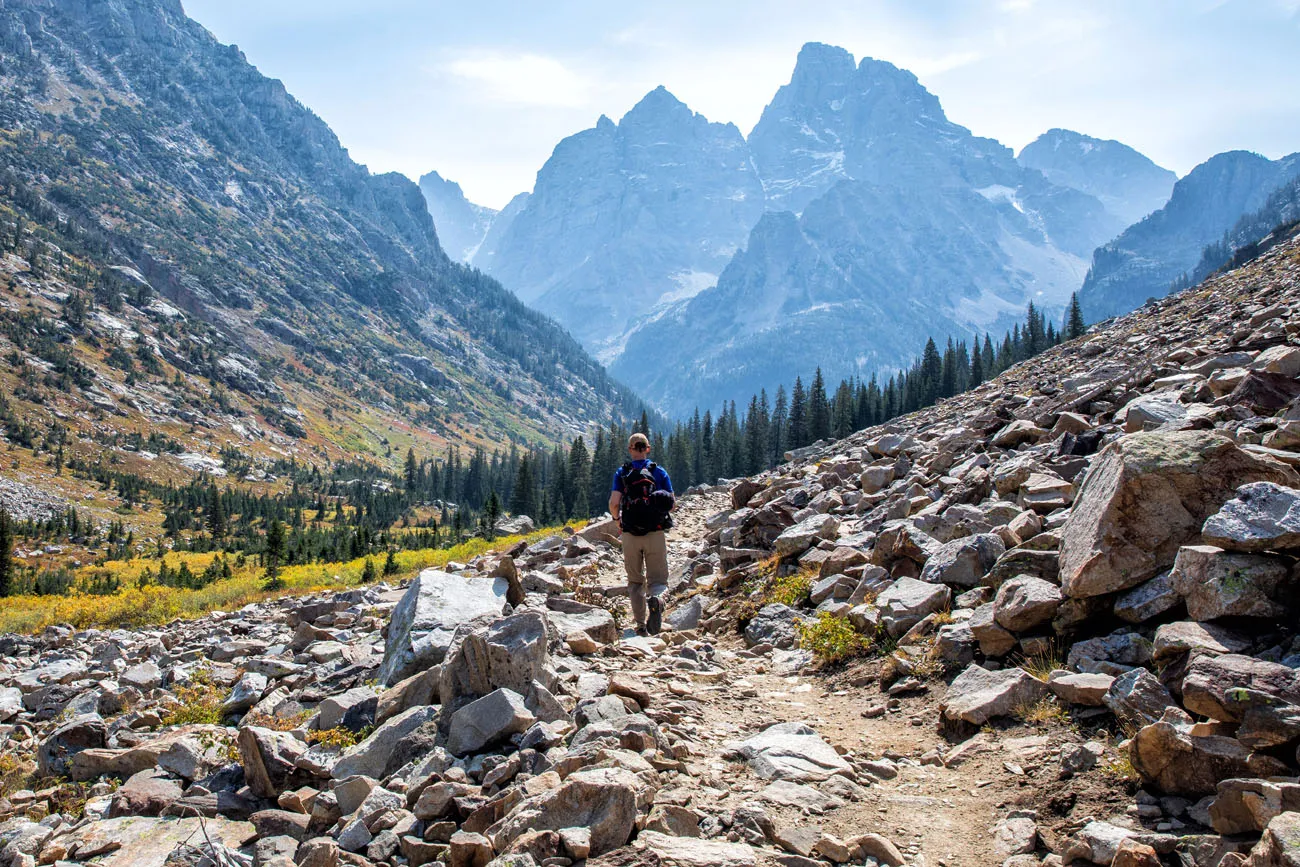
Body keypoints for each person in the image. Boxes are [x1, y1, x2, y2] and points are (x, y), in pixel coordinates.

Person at [608, 432, 675, 636]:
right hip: (655, 532)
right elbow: (671, 504)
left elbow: (614, 503)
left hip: (629, 533)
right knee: (658, 580)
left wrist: (617, 520)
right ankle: (657, 599)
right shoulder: (659, 472)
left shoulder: (623, 473)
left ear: (630, 449)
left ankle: (640, 625)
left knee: (635, 581)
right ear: (647, 448)